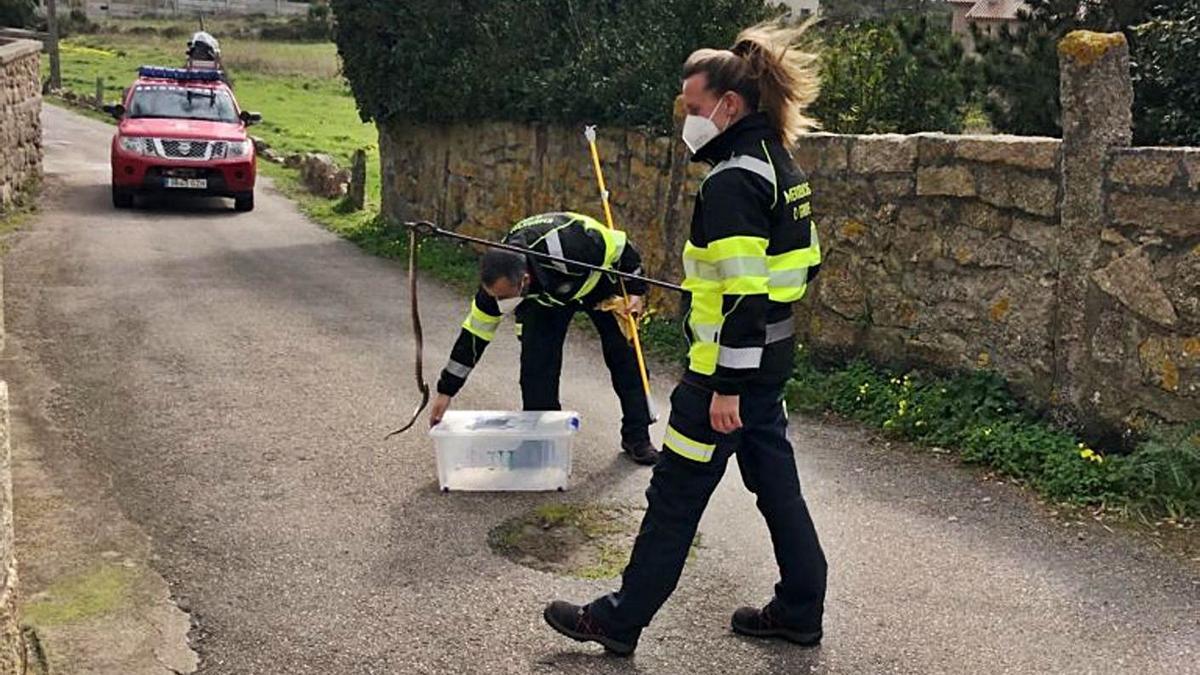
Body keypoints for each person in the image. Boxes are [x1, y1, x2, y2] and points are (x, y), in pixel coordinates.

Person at [543, 22, 825, 654]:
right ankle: (801, 607)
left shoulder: (731, 182)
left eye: (695, 108)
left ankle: (618, 620)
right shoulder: (778, 163)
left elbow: (746, 292)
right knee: (777, 487)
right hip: (769, 364)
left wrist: (725, 383)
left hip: (724, 378)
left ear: (730, 105)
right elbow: (803, 265)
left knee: (674, 495)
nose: (689, 120)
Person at [429, 211, 660, 465]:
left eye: (505, 297)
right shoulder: (495, 288)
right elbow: (472, 338)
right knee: (536, 368)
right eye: (495, 296)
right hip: (546, 303)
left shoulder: (577, 244)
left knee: (626, 359)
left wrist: (636, 289)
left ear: (524, 280)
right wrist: (446, 391)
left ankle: (637, 437)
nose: (499, 304)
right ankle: (544, 441)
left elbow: (622, 247)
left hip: (598, 285)